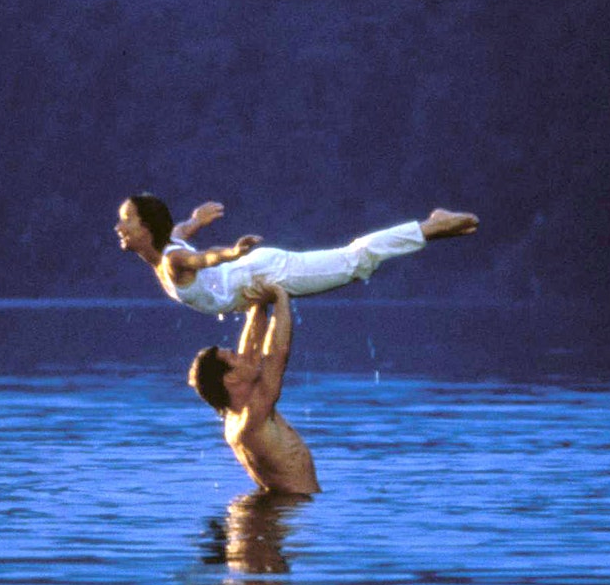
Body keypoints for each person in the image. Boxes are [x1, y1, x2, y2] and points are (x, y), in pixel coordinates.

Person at [116, 194, 479, 315]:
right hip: (254, 276)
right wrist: (199, 218)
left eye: (126, 220)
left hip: (263, 273)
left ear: (146, 228)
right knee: (351, 263)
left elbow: (205, 258)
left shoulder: (173, 261)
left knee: (352, 261)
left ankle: (429, 227)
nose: (119, 227)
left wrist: (232, 252)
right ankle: (428, 230)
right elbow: (184, 228)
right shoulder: (172, 242)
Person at [188, 281, 319, 494]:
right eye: (234, 356)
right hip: (291, 506)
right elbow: (277, 353)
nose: (243, 356)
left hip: (270, 503)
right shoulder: (252, 416)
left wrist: (258, 303)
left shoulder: (238, 412)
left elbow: (251, 347)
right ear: (230, 379)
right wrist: (281, 297)